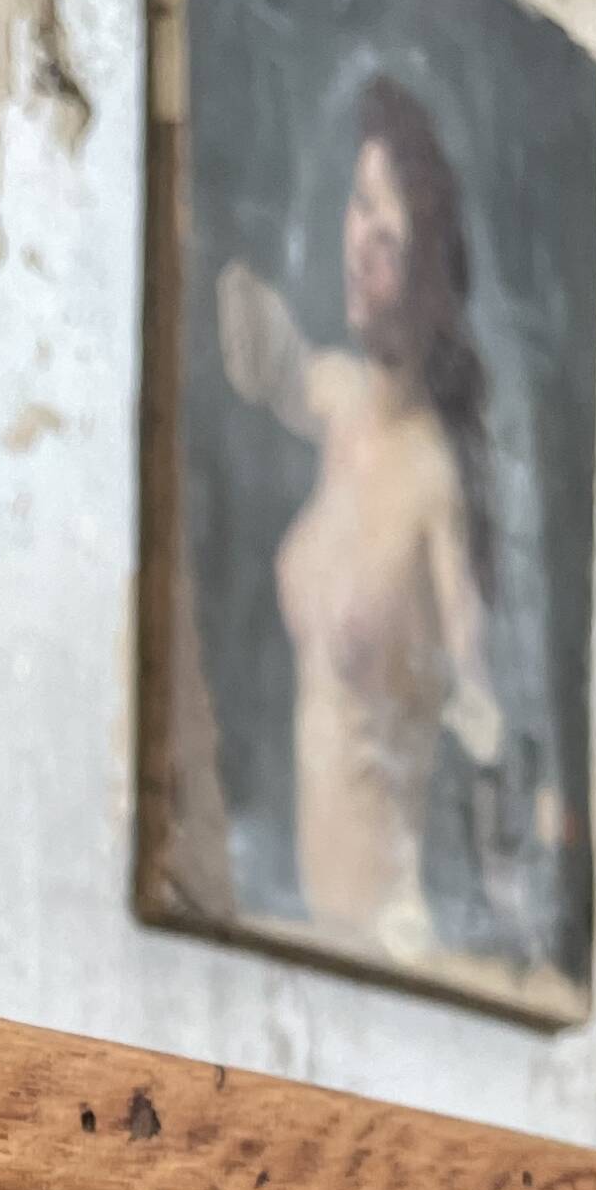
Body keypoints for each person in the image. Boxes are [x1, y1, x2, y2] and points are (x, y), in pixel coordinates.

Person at [218, 74, 504, 967]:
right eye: (357, 206)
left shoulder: (435, 480)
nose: (361, 246)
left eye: (390, 232)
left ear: (430, 272)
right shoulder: (338, 399)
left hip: (389, 940)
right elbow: (262, 362)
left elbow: (486, 716)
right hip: (304, 927)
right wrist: (231, 230)